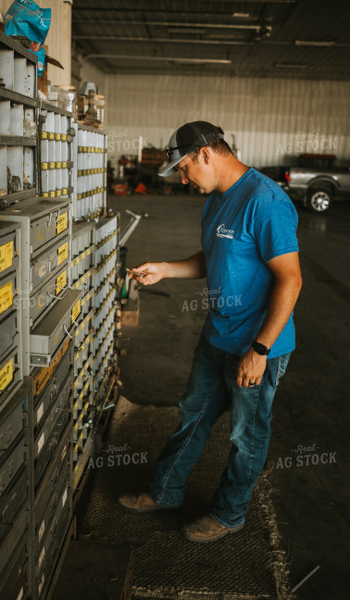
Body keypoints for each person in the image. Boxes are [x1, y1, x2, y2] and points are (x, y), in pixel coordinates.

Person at [118, 121, 302, 543]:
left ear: (205, 154)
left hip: (257, 347)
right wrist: (165, 269)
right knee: (192, 416)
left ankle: (229, 513)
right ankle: (166, 492)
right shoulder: (217, 199)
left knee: (246, 435)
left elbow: (290, 280)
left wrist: (260, 348)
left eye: (183, 169)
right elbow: (211, 258)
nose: (182, 179)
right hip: (217, 335)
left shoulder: (266, 201)